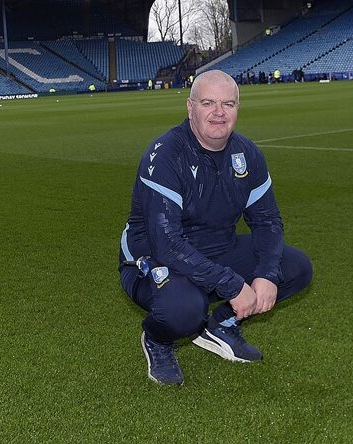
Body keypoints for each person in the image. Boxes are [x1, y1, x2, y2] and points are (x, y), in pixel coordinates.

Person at [118, 70, 313, 385]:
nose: (219, 112)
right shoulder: (166, 154)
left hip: (217, 249)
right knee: (183, 310)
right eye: (208, 103)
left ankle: (222, 325)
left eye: (228, 103)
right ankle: (158, 339)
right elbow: (167, 244)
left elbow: (267, 221)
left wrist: (266, 273)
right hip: (154, 258)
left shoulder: (247, 154)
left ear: (238, 109)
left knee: (295, 267)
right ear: (190, 107)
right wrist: (233, 285)